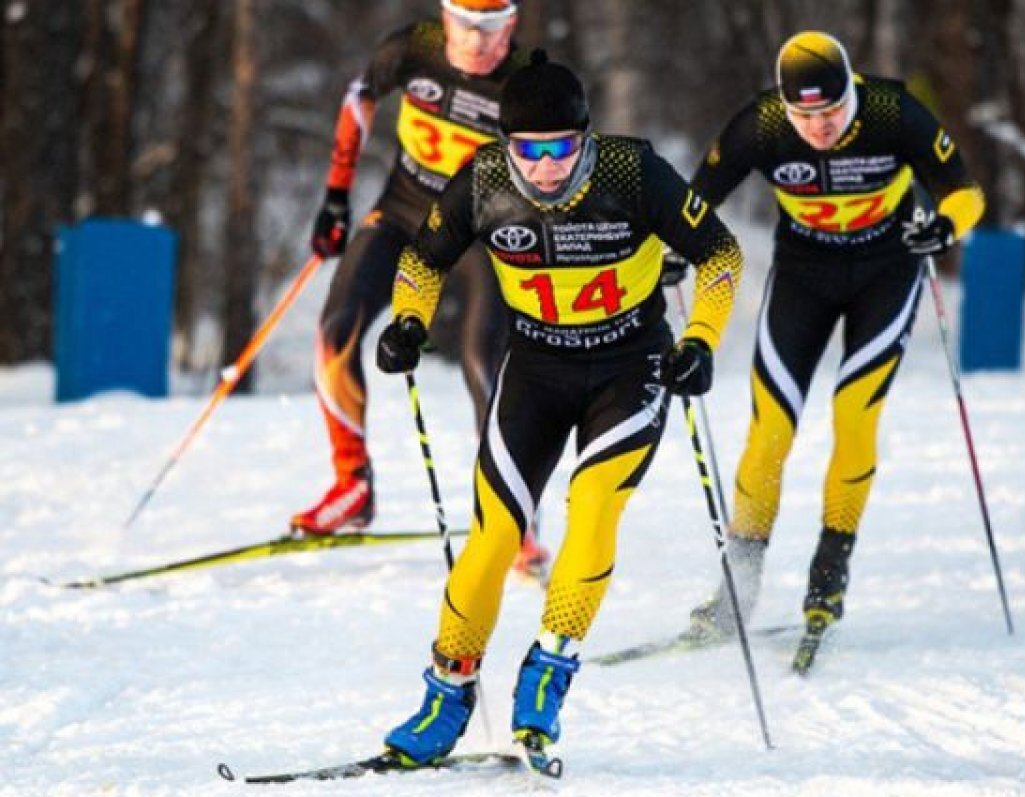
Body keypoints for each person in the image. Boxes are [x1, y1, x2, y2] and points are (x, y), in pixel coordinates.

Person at [374, 52, 744, 766]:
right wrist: (408, 322)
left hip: (629, 365)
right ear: (507, 145)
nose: (545, 166)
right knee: (493, 537)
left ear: (586, 137)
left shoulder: (632, 174)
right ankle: (445, 694)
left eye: (562, 148)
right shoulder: (483, 179)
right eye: (529, 150)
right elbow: (423, 262)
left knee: (595, 503)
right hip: (537, 370)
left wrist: (699, 340)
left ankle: (549, 667)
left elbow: (721, 256)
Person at [683, 31, 985, 672]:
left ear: (852, 93)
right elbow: (687, 203)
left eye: (832, 112)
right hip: (803, 275)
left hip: (888, 270)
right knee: (769, 432)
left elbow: (965, 190)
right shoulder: (762, 124)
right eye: (806, 117)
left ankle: (829, 574)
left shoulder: (890, 113)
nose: (819, 128)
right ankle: (738, 586)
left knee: (855, 415)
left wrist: (945, 225)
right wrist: (673, 253)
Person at [292, 0, 550, 577]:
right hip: (404, 213)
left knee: (484, 363)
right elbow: (358, 98)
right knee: (334, 332)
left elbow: (568, 163)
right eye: (466, 26)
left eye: (493, 30)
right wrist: (336, 196)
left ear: (513, 25)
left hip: (484, 234)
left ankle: (514, 518)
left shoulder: (529, 79)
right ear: (445, 19)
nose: (479, 44)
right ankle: (352, 486)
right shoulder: (413, 49)